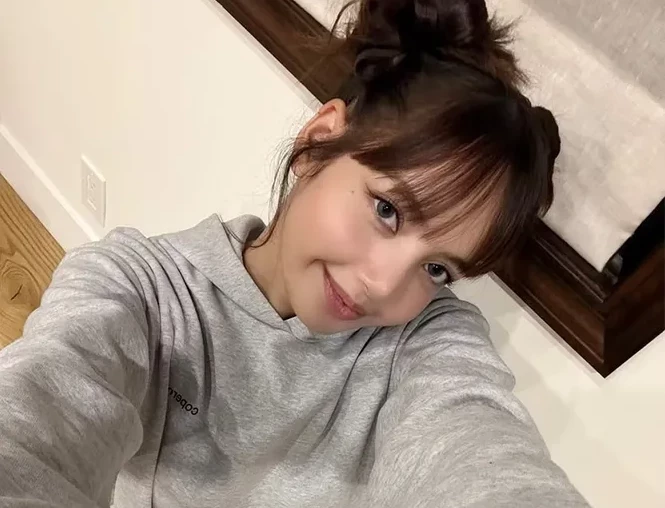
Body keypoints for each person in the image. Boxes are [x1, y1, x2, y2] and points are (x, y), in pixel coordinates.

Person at [0, 0, 589, 506]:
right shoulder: (140, 292)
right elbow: (36, 416)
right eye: (388, 210)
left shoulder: (424, 345)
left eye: (436, 268)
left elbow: (479, 447)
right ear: (317, 142)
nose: (385, 285)